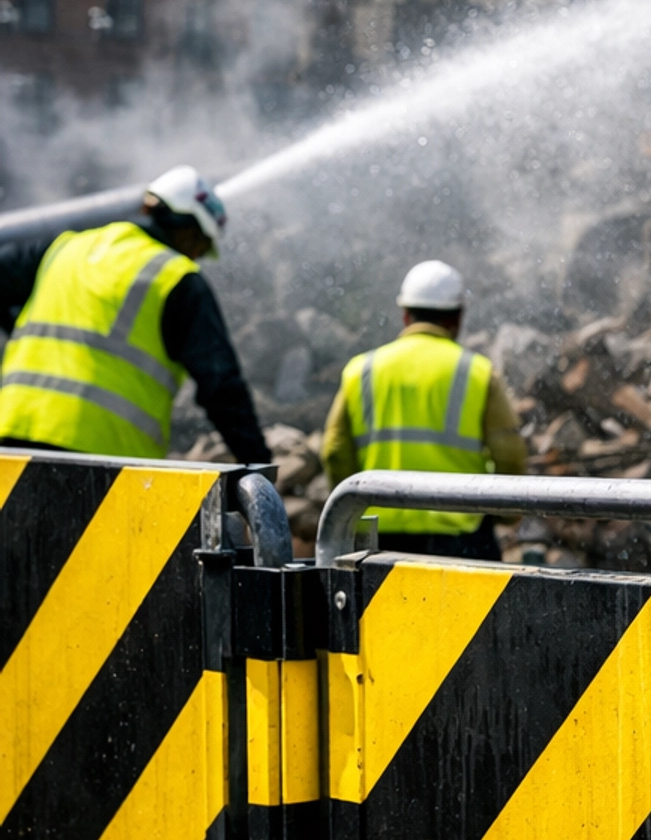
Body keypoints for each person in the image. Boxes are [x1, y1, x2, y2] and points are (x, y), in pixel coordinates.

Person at [0, 164, 270, 464]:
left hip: (12, 435)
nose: (198, 256)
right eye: (202, 247)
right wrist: (259, 465)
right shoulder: (178, 280)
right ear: (191, 232)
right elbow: (222, 388)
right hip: (104, 461)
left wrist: (19, 331)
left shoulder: (66, 248)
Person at [322, 259, 526, 559]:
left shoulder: (361, 370)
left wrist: (354, 512)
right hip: (461, 537)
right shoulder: (477, 372)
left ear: (405, 315)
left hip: (379, 538)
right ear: (457, 317)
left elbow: (334, 451)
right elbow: (509, 453)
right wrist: (505, 514)